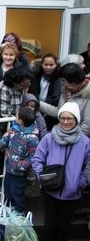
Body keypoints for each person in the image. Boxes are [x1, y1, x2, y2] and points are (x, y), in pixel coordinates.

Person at [32, 102, 90, 241]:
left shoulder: (85, 142)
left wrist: (80, 183)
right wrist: (41, 177)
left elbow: (88, 166)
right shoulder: (48, 138)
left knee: (63, 229)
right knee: (49, 227)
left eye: (69, 118)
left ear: (76, 120)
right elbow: (37, 159)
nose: (65, 121)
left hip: (72, 193)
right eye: (62, 118)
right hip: (49, 191)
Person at [0, 106, 39, 214]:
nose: (14, 116)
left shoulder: (33, 138)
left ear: (21, 120)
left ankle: (19, 214)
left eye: (16, 115)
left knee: (17, 193)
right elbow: (2, 142)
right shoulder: (14, 129)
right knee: (8, 191)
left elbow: (33, 157)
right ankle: (10, 210)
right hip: (9, 169)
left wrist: (20, 165)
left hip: (19, 173)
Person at [40, 63, 90, 137]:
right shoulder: (66, 91)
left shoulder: (88, 94)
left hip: (79, 138)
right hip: (64, 134)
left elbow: (87, 125)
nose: (62, 83)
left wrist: (75, 141)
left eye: (63, 80)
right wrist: (39, 104)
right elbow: (60, 112)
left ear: (73, 80)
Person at [28, 53, 62, 130]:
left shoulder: (59, 78)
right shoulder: (35, 76)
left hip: (50, 112)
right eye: (45, 64)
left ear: (56, 65)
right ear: (41, 65)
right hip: (35, 107)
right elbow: (33, 92)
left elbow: (56, 97)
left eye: (51, 65)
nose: (48, 67)